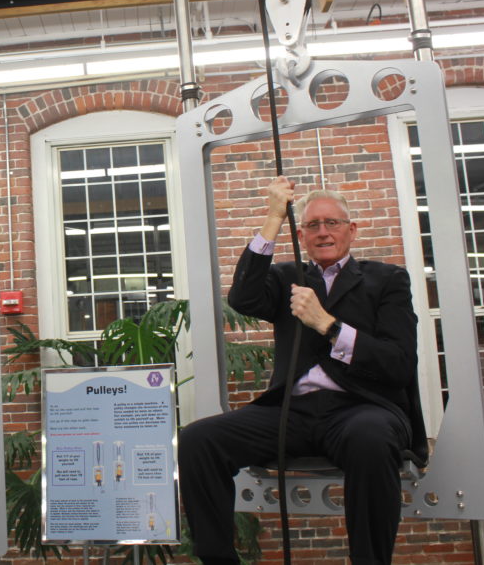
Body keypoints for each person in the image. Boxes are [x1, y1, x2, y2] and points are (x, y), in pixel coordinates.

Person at [178, 177, 427, 565]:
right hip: (290, 413)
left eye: (333, 223)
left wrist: (329, 326)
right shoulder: (286, 277)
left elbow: (398, 362)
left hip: (360, 409)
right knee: (197, 440)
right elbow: (243, 296)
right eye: (313, 225)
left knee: (371, 438)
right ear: (302, 234)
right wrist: (274, 216)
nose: (323, 232)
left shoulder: (387, 280)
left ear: (352, 230)